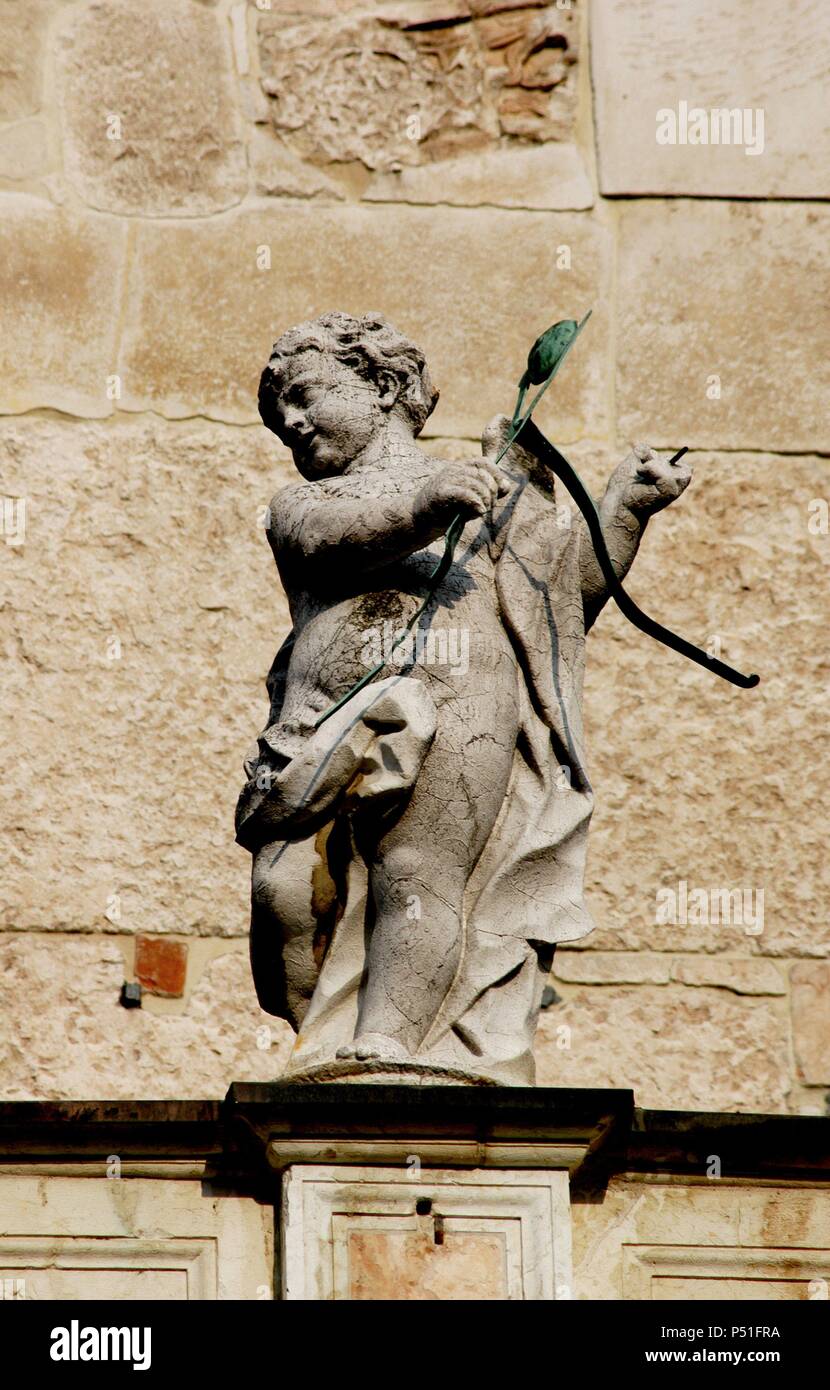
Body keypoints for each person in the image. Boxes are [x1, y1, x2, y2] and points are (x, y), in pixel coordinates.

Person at [235, 311, 691, 1083]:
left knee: (422, 872)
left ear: (381, 386)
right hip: (321, 726)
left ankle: (388, 1044)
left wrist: (623, 509)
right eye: (280, 413)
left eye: (306, 395)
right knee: (287, 891)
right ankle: (326, 1027)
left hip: (465, 701)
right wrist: (427, 504)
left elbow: (560, 594)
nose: (292, 420)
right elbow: (336, 535)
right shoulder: (303, 503)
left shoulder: (487, 485)